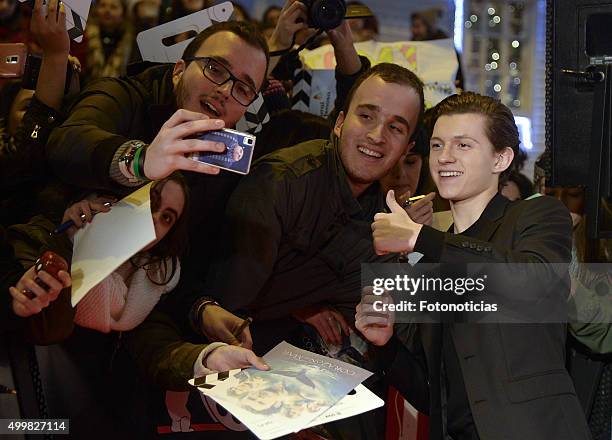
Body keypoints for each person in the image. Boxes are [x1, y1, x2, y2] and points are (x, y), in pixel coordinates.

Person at [357, 92, 591, 439]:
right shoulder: (429, 264)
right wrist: (385, 345)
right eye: (436, 146)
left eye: (463, 145)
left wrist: (421, 239)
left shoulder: (536, 215)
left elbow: (536, 284)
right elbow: (431, 393)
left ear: (501, 158)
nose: (444, 157)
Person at [198, 62, 424, 357]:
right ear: (340, 122)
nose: (377, 135)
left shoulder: (383, 222)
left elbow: (410, 316)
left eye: (395, 128)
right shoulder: (283, 182)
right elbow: (223, 307)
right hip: (214, 353)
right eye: (366, 116)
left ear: (407, 147)